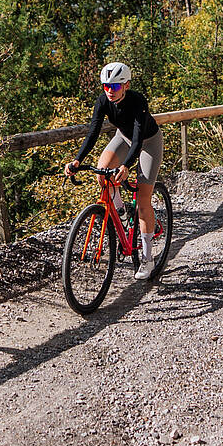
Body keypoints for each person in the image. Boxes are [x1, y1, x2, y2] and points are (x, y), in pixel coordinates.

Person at [65, 61, 163, 281]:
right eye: (106, 86)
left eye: (115, 87)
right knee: (102, 172)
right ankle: (121, 210)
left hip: (148, 142)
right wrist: (77, 160)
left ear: (126, 85)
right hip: (123, 138)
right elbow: (93, 132)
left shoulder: (138, 101)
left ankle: (147, 258)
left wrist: (126, 166)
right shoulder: (103, 101)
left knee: (144, 199)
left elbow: (138, 139)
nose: (110, 91)